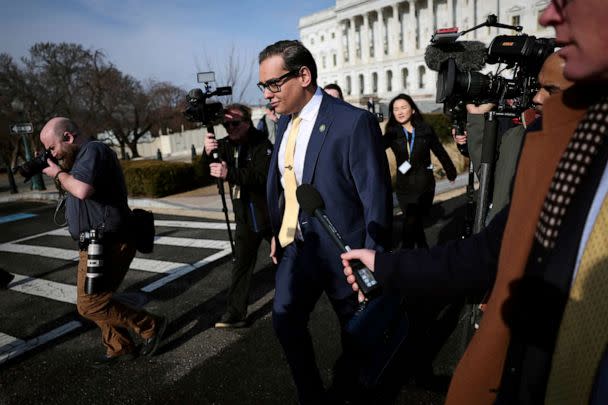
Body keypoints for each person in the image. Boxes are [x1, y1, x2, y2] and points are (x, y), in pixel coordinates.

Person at [343, 0, 608, 402]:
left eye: (568, 2)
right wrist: (385, 265)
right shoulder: (566, 148)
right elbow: (488, 253)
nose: (547, 16)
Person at [258, 39, 392, 404]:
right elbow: (288, 184)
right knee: (285, 321)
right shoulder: (285, 124)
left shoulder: (353, 122)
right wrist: (278, 231)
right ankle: (311, 395)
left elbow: (375, 198)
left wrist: (373, 263)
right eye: (263, 86)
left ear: (303, 75)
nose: (268, 94)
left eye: (273, 84)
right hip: (296, 247)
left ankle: (358, 390)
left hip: (344, 250)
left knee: (356, 332)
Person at [39, 117, 166, 367]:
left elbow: (82, 190)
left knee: (90, 304)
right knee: (98, 299)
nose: (51, 154)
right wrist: (60, 170)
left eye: (53, 148)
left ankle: (151, 325)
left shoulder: (93, 150)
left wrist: (58, 172)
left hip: (109, 240)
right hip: (95, 242)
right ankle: (119, 347)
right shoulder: (79, 159)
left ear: (68, 137)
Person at [461, 53, 573, 223]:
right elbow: (490, 181)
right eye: (537, 88)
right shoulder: (516, 136)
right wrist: (477, 123)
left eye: (551, 90)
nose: (537, 98)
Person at [201, 104, 273, 328]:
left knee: (290, 256)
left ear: (247, 121)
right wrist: (207, 153)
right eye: (226, 124)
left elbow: (262, 176)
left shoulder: (262, 144)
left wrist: (229, 173)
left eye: (234, 123)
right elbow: (206, 172)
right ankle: (235, 313)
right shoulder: (224, 146)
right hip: (244, 216)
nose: (229, 128)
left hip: (268, 214)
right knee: (241, 265)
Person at [384, 93, 457, 248]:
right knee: (411, 221)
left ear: (413, 110)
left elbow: (440, 151)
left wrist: (451, 171)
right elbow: (374, 147)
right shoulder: (392, 132)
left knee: (414, 221)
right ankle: (411, 256)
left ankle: (417, 254)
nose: (400, 111)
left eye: (403, 107)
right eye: (396, 109)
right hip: (404, 187)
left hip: (425, 186)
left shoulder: (425, 130)